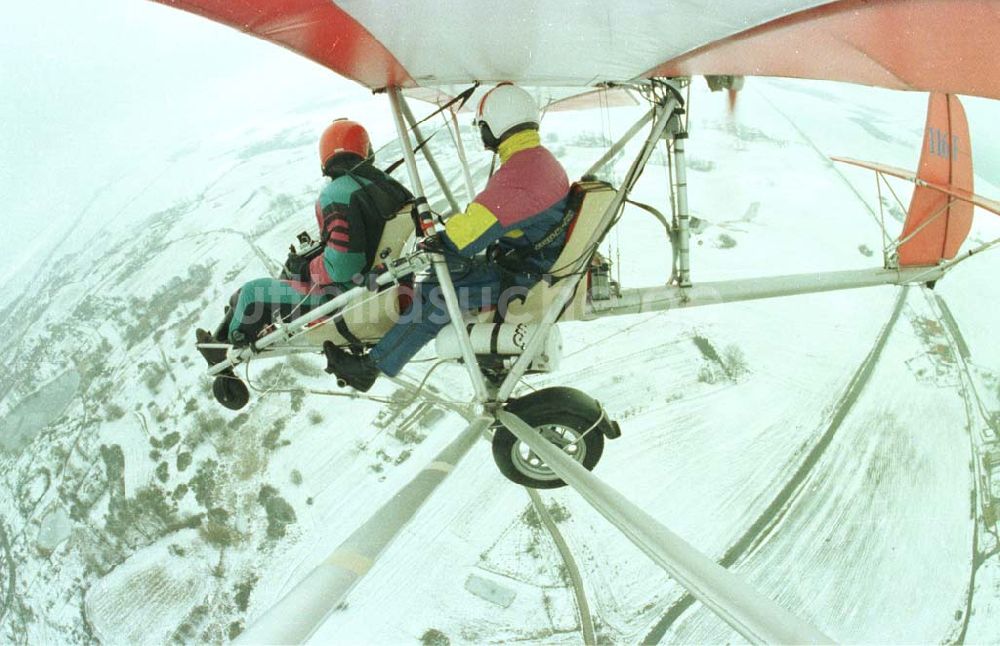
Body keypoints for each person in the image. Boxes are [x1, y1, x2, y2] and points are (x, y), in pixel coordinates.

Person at [324, 83, 570, 392]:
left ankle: (372, 368)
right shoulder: (535, 160)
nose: (481, 133)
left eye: (482, 126)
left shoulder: (521, 174)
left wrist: (441, 239)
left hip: (525, 278)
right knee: (433, 281)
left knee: (437, 301)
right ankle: (400, 341)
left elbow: (466, 238)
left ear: (496, 124)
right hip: (525, 263)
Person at [196, 119, 411, 361]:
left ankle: (226, 350)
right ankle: (220, 341)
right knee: (249, 295)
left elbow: (342, 267)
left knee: (250, 295)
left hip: (347, 298)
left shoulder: (337, 193)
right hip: (382, 285)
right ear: (365, 148)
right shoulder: (390, 185)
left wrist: (305, 268)